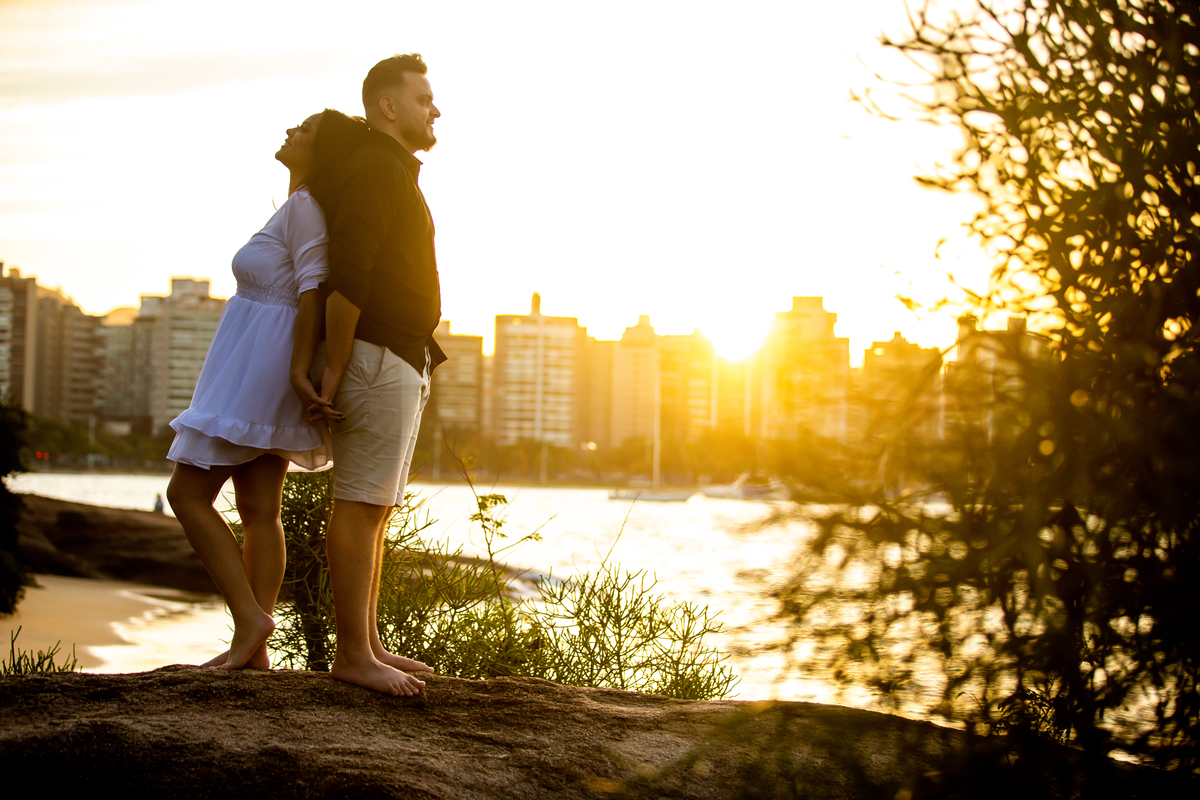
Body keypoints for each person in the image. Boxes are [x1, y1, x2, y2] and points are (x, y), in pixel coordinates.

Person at [165, 110, 364, 670]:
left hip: (262, 366)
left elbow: (313, 291)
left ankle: (251, 621)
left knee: (186, 495)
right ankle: (254, 654)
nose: (289, 133)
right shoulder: (298, 206)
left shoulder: (304, 209)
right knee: (258, 508)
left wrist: (299, 372)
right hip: (256, 360)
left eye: (303, 130)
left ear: (321, 152)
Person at [307, 54, 445, 696]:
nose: (434, 109)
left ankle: (369, 643)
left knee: (377, 508)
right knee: (360, 505)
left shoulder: (391, 169)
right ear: (387, 106)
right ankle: (353, 655)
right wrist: (335, 365)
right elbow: (348, 275)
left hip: (400, 356)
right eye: (423, 98)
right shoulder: (375, 169)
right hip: (374, 357)